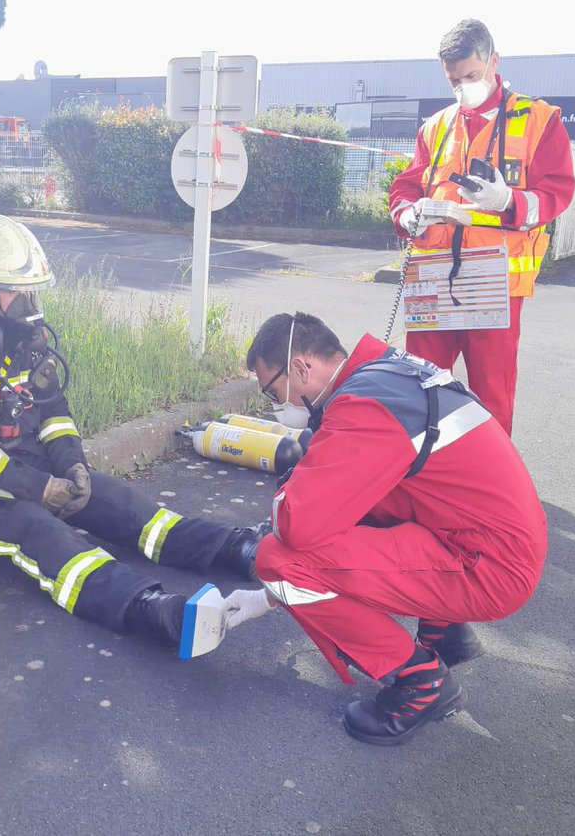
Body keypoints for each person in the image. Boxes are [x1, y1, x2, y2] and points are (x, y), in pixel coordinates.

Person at [0, 214, 264, 655]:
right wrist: (37, 486)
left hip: (15, 461)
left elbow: (52, 411)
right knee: (36, 527)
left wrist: (71, 464)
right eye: (13, 291)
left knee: (118, 501)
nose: (27, 303)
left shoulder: (22, 333)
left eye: (30, 291)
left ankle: (236, 549)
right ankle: (152, 609)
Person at [233, 311, 547, 745]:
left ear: (302, 367)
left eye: (273, 390)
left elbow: (297, 524)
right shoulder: (387, 372)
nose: (275, 403)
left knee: (280, 560)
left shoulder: (365, 408)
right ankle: (444, 631)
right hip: (492, 539)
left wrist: (285, 499)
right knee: (364, 503)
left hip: (488, 567)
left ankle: (422, 684)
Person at [388, 18, 575, 435]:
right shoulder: (436, 126)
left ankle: (491, 487)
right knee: (421, 385)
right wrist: (405, 214)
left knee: (491, 394)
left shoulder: (538, 120)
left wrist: (509, 201)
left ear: (494, 61)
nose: (462, 88)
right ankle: (426, 476)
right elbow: (407, 184)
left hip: (494, 279)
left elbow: (558, 192)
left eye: (471, 76)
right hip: (432, 276)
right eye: (453, 80)